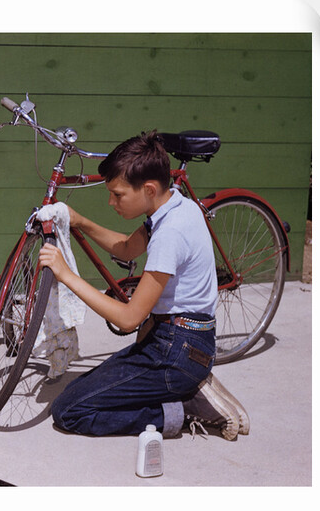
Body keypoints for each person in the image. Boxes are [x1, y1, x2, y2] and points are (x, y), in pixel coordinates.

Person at [38, 131, 249, 440]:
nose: (111, 202)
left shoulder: (170, 234)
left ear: (149, 189)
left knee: (69, 410)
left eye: (118, 194)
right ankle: (188, 386)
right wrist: (79, 220)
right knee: (77, 391)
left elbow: (127, 318)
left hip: (176, 351)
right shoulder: (177, 206)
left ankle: (187, 407)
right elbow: (125, 248)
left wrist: (66, 274)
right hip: (182, 343)